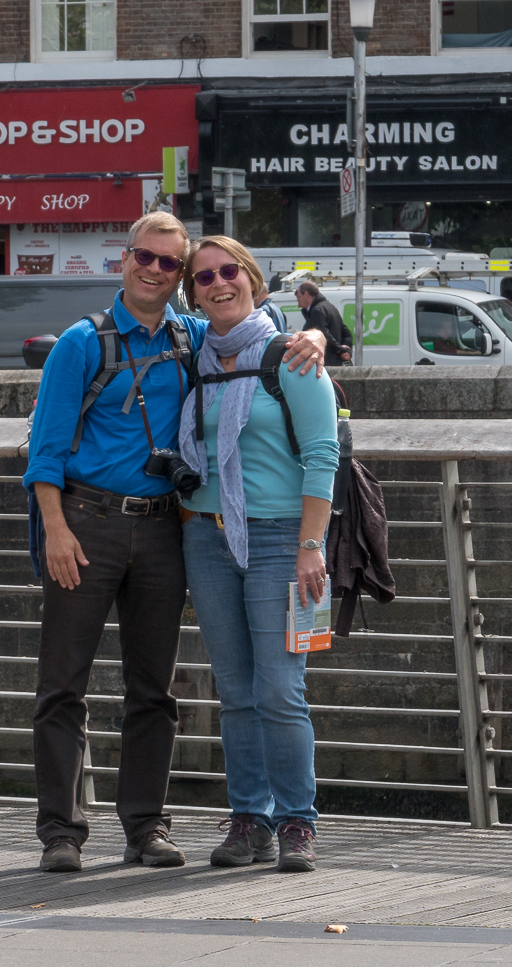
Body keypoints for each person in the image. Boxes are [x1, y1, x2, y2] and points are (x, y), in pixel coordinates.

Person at [23, 212, 326, 875]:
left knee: (154, 688)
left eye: (171, 262)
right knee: (63, 684)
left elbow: (251, 327)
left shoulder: (193, 337)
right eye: (146, 257)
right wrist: (55, 528)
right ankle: (61, 832)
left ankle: (144, 828)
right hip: (88, 523)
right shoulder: (81, 343)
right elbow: (42, 450)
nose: (156, 271)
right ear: (124, 260)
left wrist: (315, 332)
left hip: (166, 526)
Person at [177, 235, 340, 875]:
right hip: (207, 537)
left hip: (281, 541)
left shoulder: (291, 355)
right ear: (193, 293)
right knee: (236, 693)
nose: (219, 284)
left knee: (279, 690)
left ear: (252, 280)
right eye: (204, 277)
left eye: (230, 273)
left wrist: (310, 545)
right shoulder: (197, 356)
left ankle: (298, 821)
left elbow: (324, 454)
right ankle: (250, 819)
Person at [294, 281, 352, 365]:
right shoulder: (330, 306)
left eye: (299, 297)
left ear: (306, 294)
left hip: (324, 362)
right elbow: (346, 333)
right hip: (335, 362)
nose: (299, 305)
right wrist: (346, 351)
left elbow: (322, 335)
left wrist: (341, 350)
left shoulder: (317, 311)